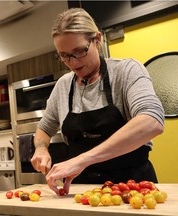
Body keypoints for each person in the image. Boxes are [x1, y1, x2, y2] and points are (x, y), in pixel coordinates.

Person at [30, 8, 164, 195]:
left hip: (133, 188)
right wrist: (41, 149)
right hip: (82, 192)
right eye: (64, 55)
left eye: (79, 51)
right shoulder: (63, 85)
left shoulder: (127, 71)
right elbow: (43, 130)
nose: (72, 62)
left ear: (97, 40)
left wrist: (82, 159)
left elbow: (152, 121)